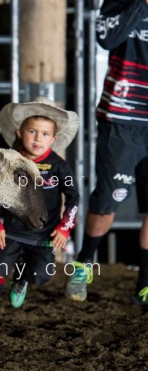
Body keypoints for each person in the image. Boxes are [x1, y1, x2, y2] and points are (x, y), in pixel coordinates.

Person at [65, 0, 148, 306]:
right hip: (122, 117)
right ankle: (84, 264)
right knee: (109, 197)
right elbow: (106, 38)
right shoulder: (121, 2)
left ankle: (144, 283)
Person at [0, 97, 80, 324]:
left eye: (44, 134)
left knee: (42, 276)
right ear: (20, 132)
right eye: (32, 131)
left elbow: (73, 197)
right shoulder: (9, 160)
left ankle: (22, 278)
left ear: (53, 139)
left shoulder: (59, 166)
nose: (37, 138)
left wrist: (64, 228)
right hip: (11, 230)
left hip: (44, 234)